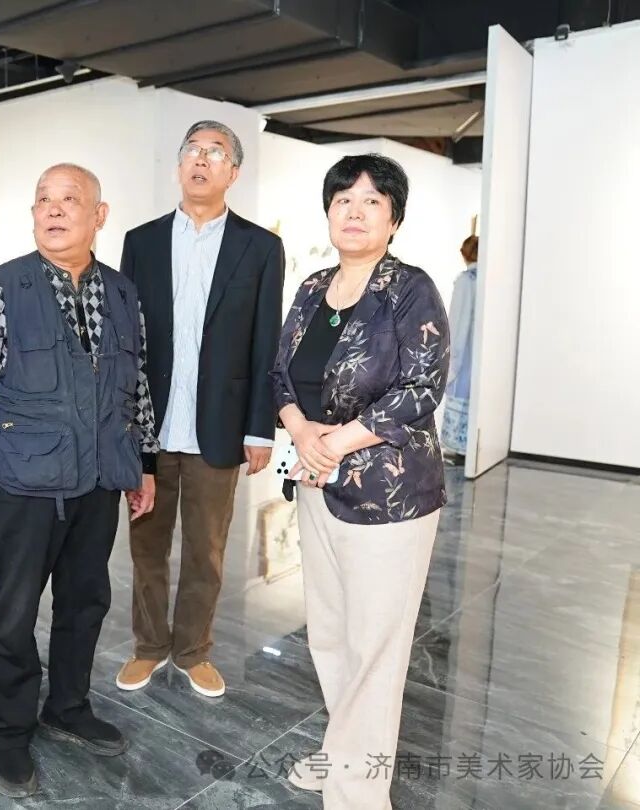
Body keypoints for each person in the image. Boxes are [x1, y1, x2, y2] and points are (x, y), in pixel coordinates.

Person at [0, 163, 158, 798]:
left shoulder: (122, 293)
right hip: (23, 482)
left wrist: (142, 463)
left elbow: (137, 382)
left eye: (69, 199)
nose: (54, 210)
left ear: (99, 215)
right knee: (13, 613)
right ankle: (9, 732)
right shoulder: (1, 287)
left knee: (86, 601)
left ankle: (67, 706)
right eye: (43, 200)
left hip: (97, 479)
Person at [270, 154, 450, 810]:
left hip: (389, 496)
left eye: (373, 201)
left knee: (375, 649)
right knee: (329, 634)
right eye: (344, 199)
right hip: (317, 484)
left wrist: (335, 441)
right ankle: (343, 754)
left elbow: (421, 386)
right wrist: (301, 430)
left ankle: (358, 793)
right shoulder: (313, 287)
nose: (355, 210)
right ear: (328, 212)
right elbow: (280, 375)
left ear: (393, 219)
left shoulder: (409, 290)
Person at [115, 121, 284, 698]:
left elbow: (266, 343)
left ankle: (193, 650)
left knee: (206, 551)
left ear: (233, 172)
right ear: (178, 165)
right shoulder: (141, 241)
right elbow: (127, 340)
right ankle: (148, 646)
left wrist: (260, 427)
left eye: (215, 152)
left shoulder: (260, 248)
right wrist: (124, 423)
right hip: (151, 425)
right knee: (146, 545)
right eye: (192, 150)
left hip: (219, 424)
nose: (201, 160)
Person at [441, 235, 478, 462]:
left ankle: (459, 447)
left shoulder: (466, 280)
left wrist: (450, 354)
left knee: (461, 390)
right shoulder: (486, 279)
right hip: (479, 348)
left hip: (464, 350)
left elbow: (457, 320)